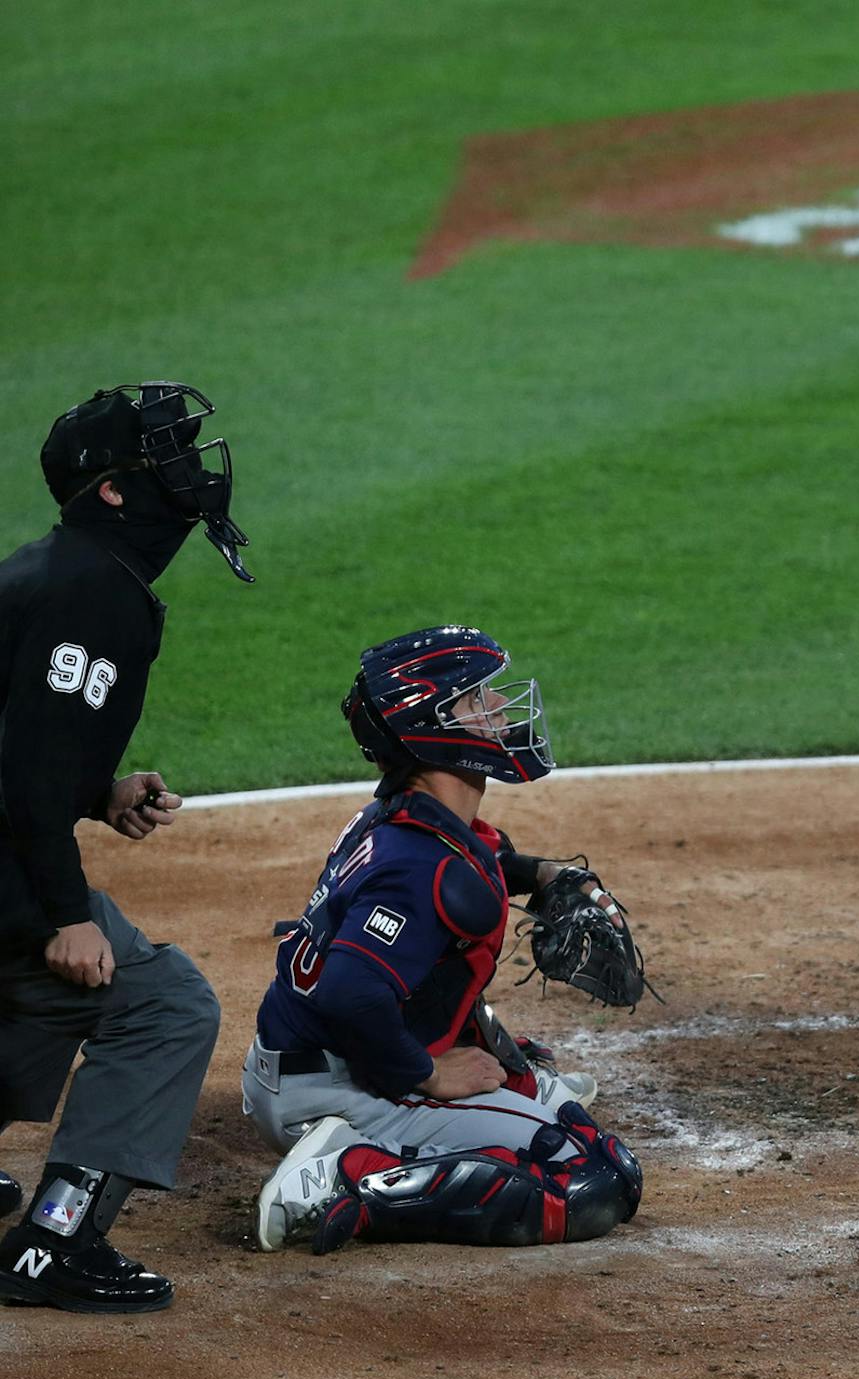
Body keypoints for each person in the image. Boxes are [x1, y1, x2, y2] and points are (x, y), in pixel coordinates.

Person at [242, 625, 646, 1253]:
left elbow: (478, 866)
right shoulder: (419, 866)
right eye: (477, 701)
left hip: (299, 1062)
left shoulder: (403, 817)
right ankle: (348, 1175)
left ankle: (494, 1095)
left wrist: (542, 876)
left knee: (536, 1090)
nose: (500, 709)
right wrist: (425, 1073)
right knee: (596, 1179)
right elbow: (349, 994)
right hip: (343, 1085)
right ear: (431, 727)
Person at [0, 383, 251, 1313]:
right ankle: (56, 1241)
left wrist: (97, 796)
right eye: (165, 453)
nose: (190, 467)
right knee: (162, 1005)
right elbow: (24, 774)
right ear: (111, 490)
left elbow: (20, 745)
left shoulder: (54, 572)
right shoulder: (91, 593)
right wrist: (67, 912)